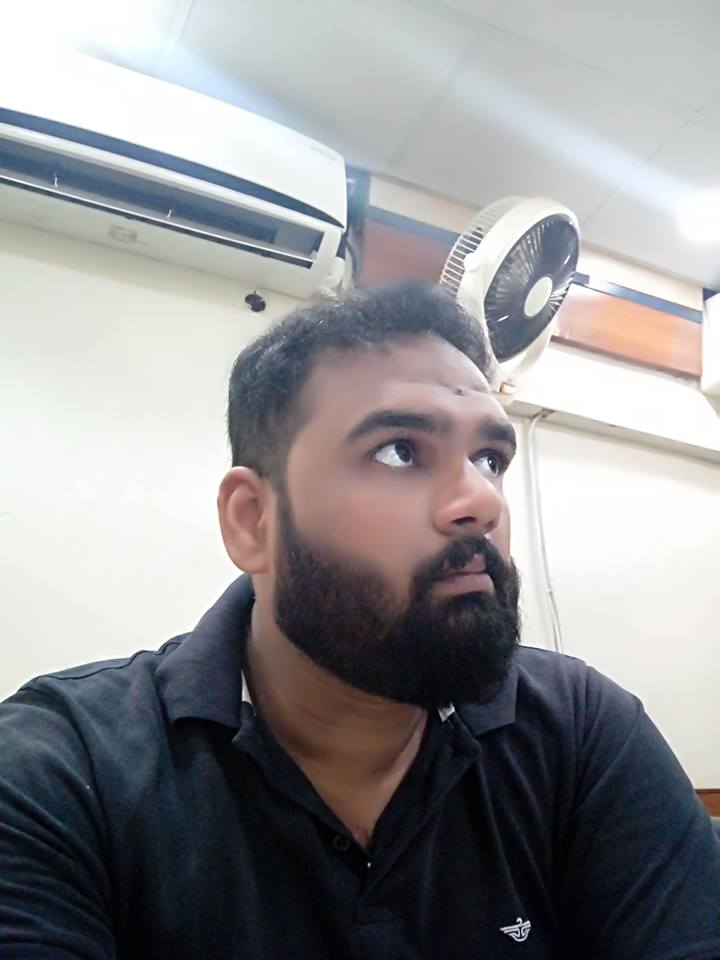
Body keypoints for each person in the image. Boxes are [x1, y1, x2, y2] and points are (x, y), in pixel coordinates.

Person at [1, 280, 718, 960]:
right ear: (253, 521)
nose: (482, 502)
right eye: (400, 451)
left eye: (490, 458)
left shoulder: (581, 732)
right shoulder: (58, 772)